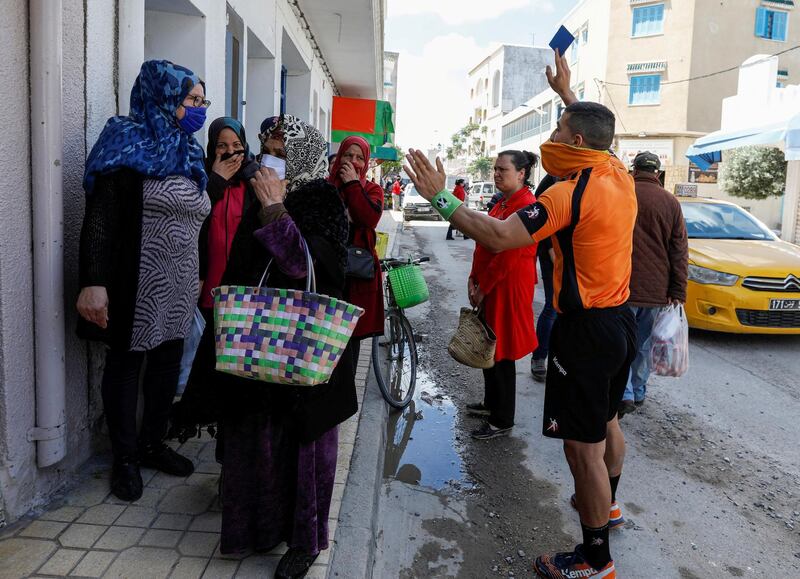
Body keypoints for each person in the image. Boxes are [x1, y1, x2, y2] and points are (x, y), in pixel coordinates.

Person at [403, 50, 637, 579]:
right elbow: (597, 131)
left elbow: (500, 235)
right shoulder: (615, 171)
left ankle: (595, 560)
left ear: (576, 142)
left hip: (584, 332)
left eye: (559, 127)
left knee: (583, 451)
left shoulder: (567, 193)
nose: (552, 133)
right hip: (620, 321)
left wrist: (441, 199)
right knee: (606, 421)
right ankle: (610, 507)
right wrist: (567, 94)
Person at [174, 114, 355, 578]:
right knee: (255, 440)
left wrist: (277, 210)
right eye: (267, 144)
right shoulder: (261, 193)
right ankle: (256, 527)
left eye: (278, 145)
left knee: (304, 449)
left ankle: (304, 542)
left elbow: (305, 269)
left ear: (302, 154)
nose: (268, 154)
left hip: (303, 346)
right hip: (256, 341)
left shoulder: (322, 201)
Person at [76, 60, 210, 502]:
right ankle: (126, 458)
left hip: (178, 285)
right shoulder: (127, 141)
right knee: (127, 365)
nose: (199, 108)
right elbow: (100, 218)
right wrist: (93, 281)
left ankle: (153, 443)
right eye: (193, 99)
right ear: (165, 97)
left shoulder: (189, 152)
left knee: (167, 364)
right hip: (136, 281)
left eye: (201, 100)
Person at [465, 152, 539, 439]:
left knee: (502, 350)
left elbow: (507, 257)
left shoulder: (527, 207)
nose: (496, 173)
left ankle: (502, 418)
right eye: (495, 168)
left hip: (506, 288)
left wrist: (483, 287)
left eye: (502, 169)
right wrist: (474, 279)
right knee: (488, 345)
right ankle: (490, 403)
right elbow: (483, 241)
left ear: (521, 173)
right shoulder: (504, 202)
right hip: (490, 285)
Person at [619, 151, 688, 417]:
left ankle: (623, 392)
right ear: (657, 173)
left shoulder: (623, 194)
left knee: (622, 342)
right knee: (643, 344)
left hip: (622, 285)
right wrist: (677, 290)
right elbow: (679, 250)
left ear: (634, 170)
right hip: (656, 290)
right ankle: (638, 392)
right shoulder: (671, 202)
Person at [329, 136, 385, 366]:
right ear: (339, 156)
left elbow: (367, 218)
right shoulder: (326, 186)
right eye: (348, 155)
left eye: (359, 157)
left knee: (350, 346)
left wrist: (352, 185)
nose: (353, 161)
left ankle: (346, 401)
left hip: (356, 277)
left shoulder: (373, 190)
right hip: (329, 274)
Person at [530, 175, 559, 383]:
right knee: (552, 307)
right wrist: (549, 248)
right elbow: (542, 216)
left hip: (581, 256)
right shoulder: (552, 180)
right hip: (553, 256)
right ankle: (540, 357)